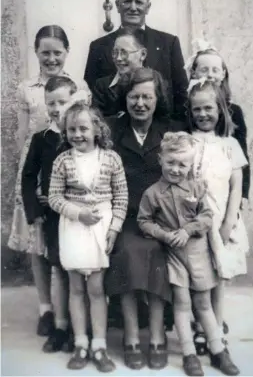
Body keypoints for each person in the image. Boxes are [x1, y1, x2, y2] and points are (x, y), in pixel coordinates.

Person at [7, 25, 91, 337]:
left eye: (57, 52)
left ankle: (70, 306)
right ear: (36, 52)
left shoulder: (77, 88)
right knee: (38, 239)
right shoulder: (27, 88)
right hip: (37, 160)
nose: (51, 58)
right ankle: (45, 307)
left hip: (67, 162)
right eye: (45, 52)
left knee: (63, 238)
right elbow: (22, 134)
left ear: (67, 52)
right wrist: (30, 179)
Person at [137, 132, 240, 376]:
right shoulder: (152, 193)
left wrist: (188, 230)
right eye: (171, 162)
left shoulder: (197, 187)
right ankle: (189, 354)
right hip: (174, 256)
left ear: (191, 164)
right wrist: (162, 234)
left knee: (203, 302)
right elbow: (144, 221)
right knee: (182, 304)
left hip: (198, 253)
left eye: (182, 164)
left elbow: (206, 216)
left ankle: (218, 350)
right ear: (160, 159)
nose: (176, 169)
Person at [105, 67, 183, 370]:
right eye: (134, 96)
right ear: (125, 98)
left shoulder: (170, 132)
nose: (140, 103)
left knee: (158, 254)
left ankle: (156, 336)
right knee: (124, 254)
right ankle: (131, 335)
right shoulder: (112, 131)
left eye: (146, 96)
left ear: (156, 98)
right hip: (125, 218)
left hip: (160, 220)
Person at [48, 104, 128, 372]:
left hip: (102, 228)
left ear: (97, 129)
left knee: (96, 289)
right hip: (73, 226)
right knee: (76, 288)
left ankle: (99, 345)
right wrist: (78, 213)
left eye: (83, 128)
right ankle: (81, 342)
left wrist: (114, 229)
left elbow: (121, 198)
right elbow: (55, 197)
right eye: (71, 129)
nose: (77, 134)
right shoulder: (62, 161)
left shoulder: (111, 159)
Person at [21, 76, 83, 353]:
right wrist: (35, 212)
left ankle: (80, 328)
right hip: (53, 217)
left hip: (80, 216)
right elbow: (28, 177)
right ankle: (60, 326)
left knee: (79, 273)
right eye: (51, 103)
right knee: (58, 269)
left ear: (75, 100)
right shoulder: (41, 139)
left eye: (62, 101)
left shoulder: (82, 137)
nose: (56, 108)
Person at [188, 79, 249, 357]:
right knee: (200, 276)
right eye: (197, 109)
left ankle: (217, 322)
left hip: (222, 218)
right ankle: (201, 326)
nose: (203, 114)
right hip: (196, 220)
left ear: (221, 109)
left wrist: (228, 223)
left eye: (208, 108)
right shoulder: (186, 142)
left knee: (219, 276)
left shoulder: (230, 145)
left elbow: (236, 186)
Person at [84, 0, 188, 120]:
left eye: (139, 2)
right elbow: (91, 98)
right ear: (117, 6)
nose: (133, 7)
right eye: (127, 1)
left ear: (148, 7)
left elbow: (181, 94)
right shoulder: (98, 47)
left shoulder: (168, 43)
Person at [185, 39, 250, 202]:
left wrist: (243, 192)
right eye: (204, 69)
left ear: (223, 74)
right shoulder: (186, 108)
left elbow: (241, 152)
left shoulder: (234, 111)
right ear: (193, 73)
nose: (210, 74)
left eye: (215, 70)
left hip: (223, 181)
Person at [92, 28, 147, 117]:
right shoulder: (102, 86)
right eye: (115, 52)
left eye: (124, 52)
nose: (118, 58)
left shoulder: (156, 83)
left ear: (143, 54)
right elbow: (96, 121)